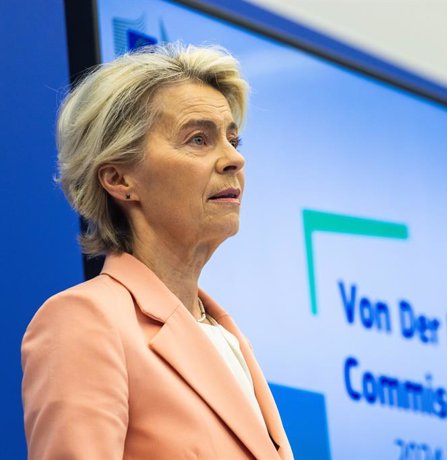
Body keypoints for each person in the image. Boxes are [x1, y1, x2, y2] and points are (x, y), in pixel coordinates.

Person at [21, 43, 293, 459]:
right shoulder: (86, 321)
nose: (234, 159)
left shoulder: (228, 338)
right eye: (198, 139)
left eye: (233, 139)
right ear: (119, 179)